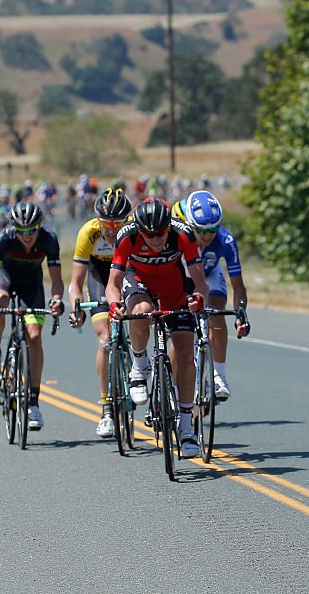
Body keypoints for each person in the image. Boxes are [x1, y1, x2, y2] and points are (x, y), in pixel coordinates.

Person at [105, 198, 209, 457]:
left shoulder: (182, 234)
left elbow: (199, 281)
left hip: (173, 287)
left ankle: (186, 427)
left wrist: (198, 298)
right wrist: (114, 304)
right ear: (139, 230)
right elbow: (113, 283)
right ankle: (139, 366)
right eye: (149, 235)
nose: (156, 239)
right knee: (140, 312)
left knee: (185, 353)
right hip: (138, 282)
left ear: (168, 228)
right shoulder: (126, 236)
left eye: (161, 233)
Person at [0, 202, 65, 432]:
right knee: (0, 304)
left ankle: (34, 402)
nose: (27, 236)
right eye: (22, 232)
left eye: (31, 231)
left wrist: (57, 299)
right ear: (14, 230)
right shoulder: (4, 239)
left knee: (34, 336)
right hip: (5, 279)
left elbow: (56, 280)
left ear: (39, 227)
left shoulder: (48, 239)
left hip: (32, 284)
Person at [68, 187, 133, 438]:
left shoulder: (133, 232)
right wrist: (76, 306)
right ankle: (107, 409)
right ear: (98, 220)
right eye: (106, 223)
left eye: (118, 223)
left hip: (126, 273)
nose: (112, 229)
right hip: (98, 276)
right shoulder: (89, 232)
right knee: (105, 340)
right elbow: (76, 281)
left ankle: (137, 367)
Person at [182, 190, 251, 400]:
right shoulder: (179, 236)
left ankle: (219, 375)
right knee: (177, 327)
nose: (207, 235)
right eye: (201, 230)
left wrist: (241, 314)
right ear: (190, 225)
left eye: (213, 228)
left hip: (211, 275)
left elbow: (238, 285)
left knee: (216, 312)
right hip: (182, 278)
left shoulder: (226, 240)